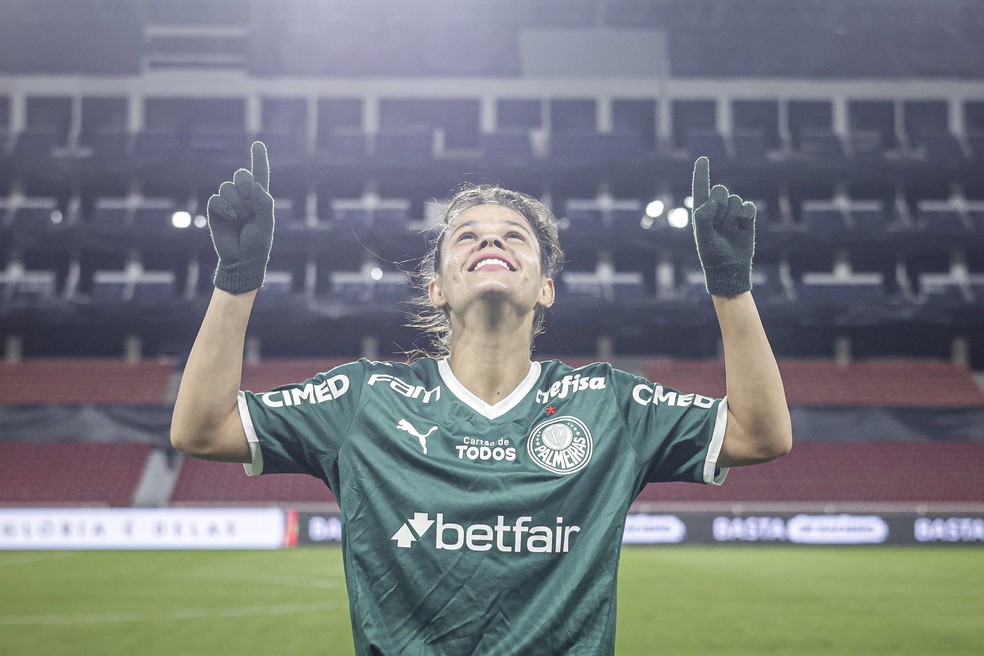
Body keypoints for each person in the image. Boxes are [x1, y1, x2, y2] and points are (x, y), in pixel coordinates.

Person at [170, 142, 792, 655]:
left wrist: (731, 288)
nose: (490, 243)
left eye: (514, 236)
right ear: (436, 287)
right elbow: (201, 429)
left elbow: (761, 435)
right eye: (466, 236)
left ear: (546, 287)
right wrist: (236, 282)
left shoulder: (608, 403)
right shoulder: (365, 400)